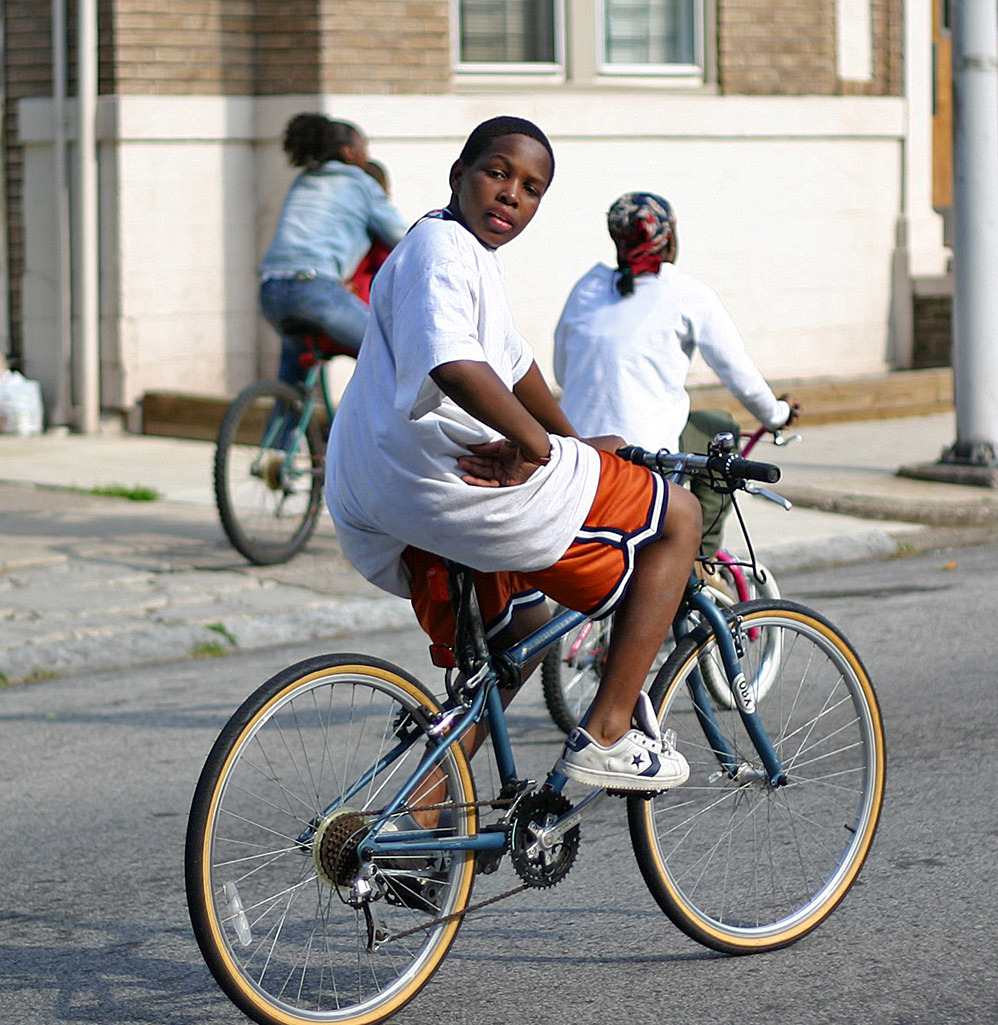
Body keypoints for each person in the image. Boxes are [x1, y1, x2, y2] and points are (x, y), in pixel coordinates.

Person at [324, 116, 701, 794]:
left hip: (385, 488)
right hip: (440, 481)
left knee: (521, 628)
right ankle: (608, 731)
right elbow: (454, 364)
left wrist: (567, 443)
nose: (511, 195)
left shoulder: (451, 250)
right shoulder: (442, 251)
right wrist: (537, 448)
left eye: (531, 189)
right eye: (497, 173)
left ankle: (420, 812)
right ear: (457, 175)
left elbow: (514, 361)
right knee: (677, 516)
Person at [553, 191, 798, 551]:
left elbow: (563, 373)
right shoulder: (685, 292)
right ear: (668, 238)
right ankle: (700, 555)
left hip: (577, 455)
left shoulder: (586, 287)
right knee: (719, 427)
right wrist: (778, 414)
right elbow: (741, 378)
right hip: (642, 461)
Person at [259, 113, 408, 385]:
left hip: (271, 291)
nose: (367, 155)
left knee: (293, 383)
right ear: (349, 151)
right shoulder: (359, 182)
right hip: (314, 289)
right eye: (365, 148)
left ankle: (286, 423)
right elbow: (400, 237)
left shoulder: (304, 180)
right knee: (392, 349)